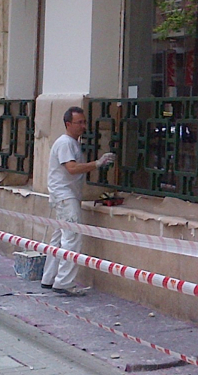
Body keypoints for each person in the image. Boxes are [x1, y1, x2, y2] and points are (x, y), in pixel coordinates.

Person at [40, 106, 115, 296]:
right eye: (79, 122)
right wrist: (97, 164)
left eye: (84, 122)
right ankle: (63, 282)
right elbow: (72, 168)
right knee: (71, 238)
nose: (83, 126)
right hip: (65, 197)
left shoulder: (71, 142)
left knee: (58, 238)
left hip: (63, 195)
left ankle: (49, 278)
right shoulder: (66, 143)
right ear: (68, 124)